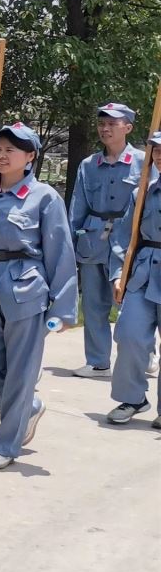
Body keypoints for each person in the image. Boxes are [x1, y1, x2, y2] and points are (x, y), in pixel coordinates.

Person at [0, 122, 76, 469]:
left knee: (21, 372)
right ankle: (27, 410)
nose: (2, 155)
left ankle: (5, 445)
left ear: (30, 156)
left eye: (11, 149)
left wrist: (64, 307)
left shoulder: (44, 197)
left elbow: (60, 252)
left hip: (25, 289)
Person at [69, 102, 141, 381]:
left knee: (130, 304)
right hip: (93, 239)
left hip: (129, 241)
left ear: (128, 127)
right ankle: (98, 362)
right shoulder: (89, 165)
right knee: (93, 304)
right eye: (102, 123)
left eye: (112, 123)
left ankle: (140, 355)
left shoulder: (144, 162)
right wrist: (69, 242)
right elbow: (77, 206)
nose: (105, 128)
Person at [109, 130, 161, 428]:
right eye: (157, 151)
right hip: (143, 272)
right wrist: (119, 273)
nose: (160, 157)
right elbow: (123, 237)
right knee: (129, 335)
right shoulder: (142, 192)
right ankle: (133, 398)